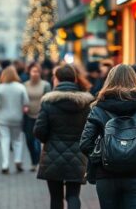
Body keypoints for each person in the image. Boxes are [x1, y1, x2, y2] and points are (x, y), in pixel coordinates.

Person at [80, 64, 136, 209]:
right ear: (135, 80)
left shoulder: (98, 108)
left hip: (106, 175)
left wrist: (104, 156)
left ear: (109, 81)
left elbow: (85, 144)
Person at [34, 64, 93, 209]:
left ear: (57, 80)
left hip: (52, 155)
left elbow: (39, 130)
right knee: (74, 195)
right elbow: (91, 129)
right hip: (78, 155)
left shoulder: (48, 102)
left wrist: (47, 140)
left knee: (56, 197)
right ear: (74, 79)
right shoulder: (86, 103)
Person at [0, 66, 29, 174]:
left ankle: (5, 164)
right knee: (17, 140)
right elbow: (26, 102)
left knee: (4, 140)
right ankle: (18, 160)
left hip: (2, 118)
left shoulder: (0, 88)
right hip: (17, 117)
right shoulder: (20, 87)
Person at [23, 63, 52, 169]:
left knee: (38, 140)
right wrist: (24, 106)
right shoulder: (25, 85)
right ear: (29, 72)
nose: (35, 73)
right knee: (29, 140)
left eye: (37, 71)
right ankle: (33, 160)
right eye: (33, 71)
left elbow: (48, 99)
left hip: (41, 116)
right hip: (29, 116)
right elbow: (23, 99)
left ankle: (38, 161)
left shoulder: (45, 85)